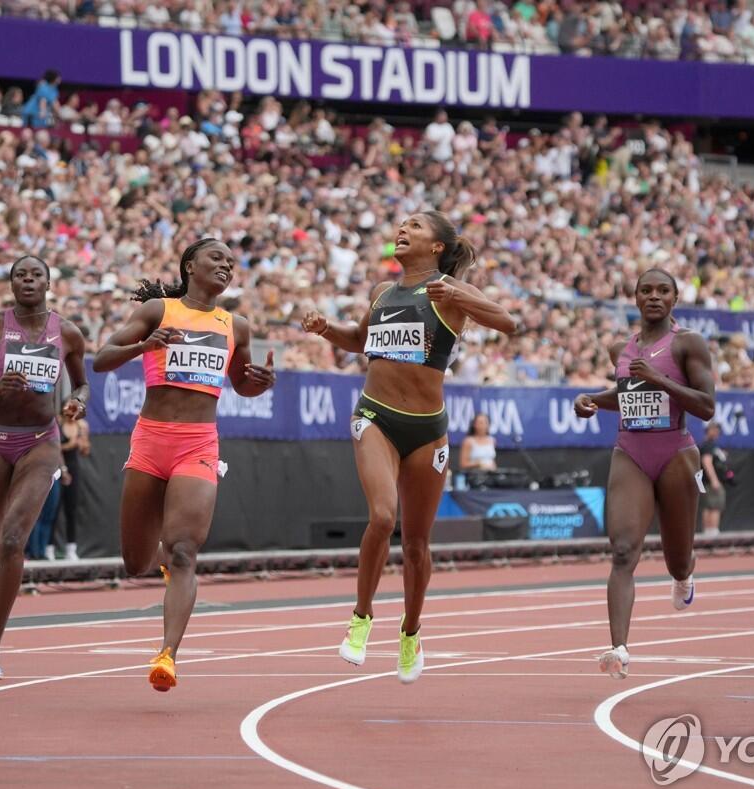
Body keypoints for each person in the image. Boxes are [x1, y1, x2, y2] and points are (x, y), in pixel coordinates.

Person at [302, 211, 518, 684]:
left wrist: (458, 293)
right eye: (400, 224)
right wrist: (324, 329)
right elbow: (360, 341)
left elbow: (509, 324)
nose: (402, 230)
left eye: (416, 226)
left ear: (438, 246)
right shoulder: (382, 293)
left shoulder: (448, 292)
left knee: (417, 544)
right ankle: (361, 618)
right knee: (383, 517)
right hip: (375, 416)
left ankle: (411, 631)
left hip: (427, 429)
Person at [94, 238, 275, 692]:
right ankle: (161, 562)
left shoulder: (237, 326)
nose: (226, 266)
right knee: (135, 562)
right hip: (151, 439)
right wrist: (144, 345)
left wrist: (262, 384)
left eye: (232, 263)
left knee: (183, 552)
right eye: (217, 258)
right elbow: (99, 360)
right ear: (190, 264)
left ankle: (167, 655)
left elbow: (242, 386)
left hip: (199, 443)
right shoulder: (158, 310)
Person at [573, 268, 716, 679]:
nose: (654, 296)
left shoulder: (689, 343)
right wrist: (592, 400)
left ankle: (684, 574)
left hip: (675, 452)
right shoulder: (623, 347)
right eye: (646, 290)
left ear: (675, 298)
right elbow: (626, 396)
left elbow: (706, 406)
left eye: (663, 290)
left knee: (675, 556)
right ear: (635, 298)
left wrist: (660, 379)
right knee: (622, 551)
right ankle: (619, 647)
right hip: (630, 450)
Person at [0, 255, 89, 680]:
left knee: (13, 541)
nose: (28, 280)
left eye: (35, 275)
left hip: (42, 442)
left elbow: (82, 381)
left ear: (49, 283)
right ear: (10, 283)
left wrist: (77, 402)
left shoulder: (66, 332)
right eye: (20, 275)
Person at [56, 415, 89, 559]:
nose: (72, 412)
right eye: (69, 408)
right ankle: (48, 548)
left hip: (74, 469)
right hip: (57, 468)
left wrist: (83, 438)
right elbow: (55, 448)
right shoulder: (57, 425)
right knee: (53, 510)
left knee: (72, 509)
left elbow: (85, 450)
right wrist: (68, 445)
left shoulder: (80, 427)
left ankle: (71, 548)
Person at [699, 421, 728, 536]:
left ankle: (710, 531)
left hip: (712, 481)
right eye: (714, 429)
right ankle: (711, 531)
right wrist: (714, 480)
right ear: (708, 430)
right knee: (713, 506)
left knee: (713, 505)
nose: (717, 432)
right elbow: (706, 462)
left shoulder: (713, 446)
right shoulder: (707, 445)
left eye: (718, 430)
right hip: (710, 482)